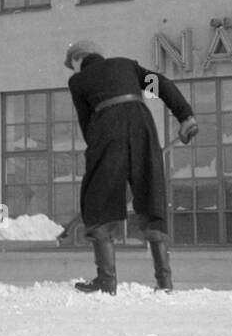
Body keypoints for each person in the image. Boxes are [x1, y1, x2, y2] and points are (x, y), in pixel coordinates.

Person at [65, 40, 198, 295]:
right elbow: (163, 86)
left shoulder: (78, 81)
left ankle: (106, 281)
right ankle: (165, 283)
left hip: (106, 128)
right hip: (142, 125)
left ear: (76, 61)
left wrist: (99, 155)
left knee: (97, 200)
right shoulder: (126, 65)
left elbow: (86, 123)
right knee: (151, 193)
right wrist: (185, 117)